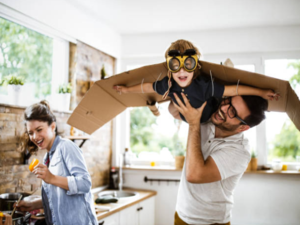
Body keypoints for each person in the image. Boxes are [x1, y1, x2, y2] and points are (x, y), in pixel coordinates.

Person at [113, 39, 278, 123]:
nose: (182, 70)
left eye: (188, 64)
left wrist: (261, 92)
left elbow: (234, 89)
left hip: (206, 117)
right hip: (184, 116)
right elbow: (148, 86)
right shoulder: (169, 83)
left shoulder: (204, 86)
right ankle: (166, 110)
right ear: (169, 68)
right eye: (175, 65)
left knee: (216, 97)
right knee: (171, 106)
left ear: (195, 66)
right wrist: (126, 90)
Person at [171, 92, 268, 225]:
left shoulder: (240, 152)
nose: (223, 109)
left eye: (232, 111)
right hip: (182, 215)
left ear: (243, 127)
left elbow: (194, 175)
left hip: (212, 222)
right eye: (228, 101)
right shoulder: (208, 117)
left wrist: (194, 123)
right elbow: (174, 111)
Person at [14, 101, 98, 225]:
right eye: (30, 133)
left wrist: (52, 178)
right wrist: (32, 205)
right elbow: (58, 198)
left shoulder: (66, 147)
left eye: (39, 130)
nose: (35, 137)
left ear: (52, 127)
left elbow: (85, 183)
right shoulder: (48, 158)